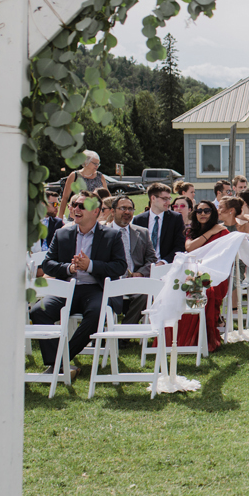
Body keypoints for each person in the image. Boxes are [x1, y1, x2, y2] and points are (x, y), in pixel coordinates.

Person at [29, 191, 127, 378]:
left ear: (96, 211)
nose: (76, 209)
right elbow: (48, 264)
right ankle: (60, 363)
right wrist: (69, 268)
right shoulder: (62, 233)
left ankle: (60, 361)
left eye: (82, 206)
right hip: (67, 288)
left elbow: (120, 266)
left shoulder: (111, 235)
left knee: (97, 314)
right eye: (75, 205)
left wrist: (90, 265)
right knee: (38, 311)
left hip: (96, 288)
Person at [168, 198, 232, 352]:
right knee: (180, 290)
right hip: (193, 272)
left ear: (213, 213)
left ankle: (203, 336)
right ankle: (182, 338)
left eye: (207, 211)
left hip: (215, 275)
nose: (203, 214)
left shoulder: (223, 232)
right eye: (199, 211)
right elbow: (189, 247)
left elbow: (225, 256)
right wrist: (210, 232)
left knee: (206, 291)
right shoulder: (191, 231)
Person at [111, 195, 154, 322]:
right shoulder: (103, 232)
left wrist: (140, 273)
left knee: (144, 296)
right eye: (123, 208)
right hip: (112, 281)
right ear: (113, 211)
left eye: (130, 209)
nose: (127, 212)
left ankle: (123, 334)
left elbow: (151, 259)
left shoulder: (142, 232)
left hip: (135, 281)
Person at [132, 182, 186, 264]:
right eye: (164, 199)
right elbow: (134, 247)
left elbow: (180, 246)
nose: (168, 202)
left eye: (169, 199)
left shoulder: (175, 218)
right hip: (143, 267)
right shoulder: (138, 220)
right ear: (153, 198)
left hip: (166, 265)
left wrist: (163, 262)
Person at [58, 150, 107, 217]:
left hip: (94, 215)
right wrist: (60, 217)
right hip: (78, 213)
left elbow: (107, 197)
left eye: (98, 164)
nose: (97, 166)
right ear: (86, 162)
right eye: (95, 163)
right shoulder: (74, 175)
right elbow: (65, 197)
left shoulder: (100, 176)